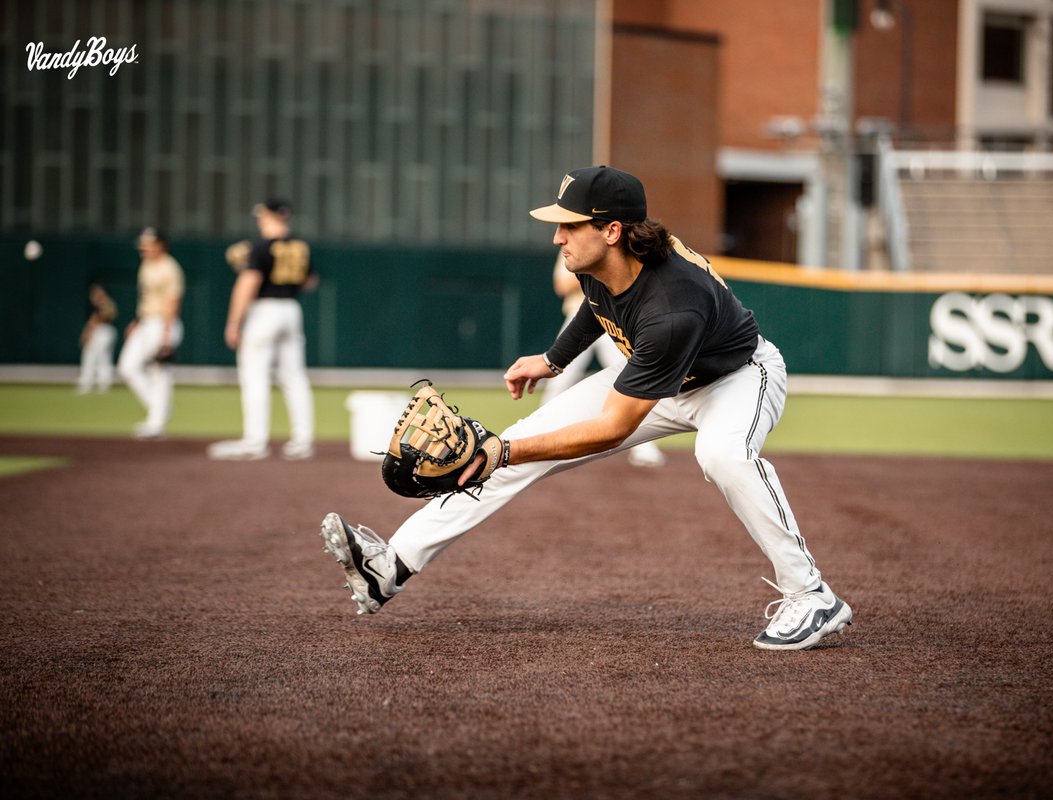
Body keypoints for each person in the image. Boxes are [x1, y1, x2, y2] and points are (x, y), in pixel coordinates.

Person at [319, 166, 852, 651]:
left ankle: (810, 593)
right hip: (656, 372)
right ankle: (388, 566)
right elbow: (598, 305)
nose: (557, 236)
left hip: (735, 378)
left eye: (569, 225)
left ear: (612, 230)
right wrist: (552, 360)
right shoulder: (600, 259)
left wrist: (504, 450)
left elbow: (610, 429)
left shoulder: (673, 306)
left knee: (722, 455)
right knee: (505, 452)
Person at [208, 198, 317, 461]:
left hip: (265, 311)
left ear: (268, 216)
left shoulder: (259, 247)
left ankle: (255, 442)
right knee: (294, 378)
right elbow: (310, 281)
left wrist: (234, 322)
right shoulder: (299, 246)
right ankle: (303, 441)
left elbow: (248, 284)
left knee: (254, 375)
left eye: (261, 216)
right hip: (291, 309)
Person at [540, 250, 666, 468]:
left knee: (631, 377)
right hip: (578, 319)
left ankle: (644, 447)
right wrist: (593, 265)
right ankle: (538, 438)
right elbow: (562, 285)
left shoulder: (616, 244)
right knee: (558, 382)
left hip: (611, 317)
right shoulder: (570, 246)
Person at [117, 228, 184, 439]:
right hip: (146, 322)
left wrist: (166, 336)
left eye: (149, 244)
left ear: (161, 245)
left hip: (163, 324)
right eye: (143, 245)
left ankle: (156, 423)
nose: (144, 248)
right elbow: (146, 298)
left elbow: (173, 302)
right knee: (127, 366)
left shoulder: (169, 268)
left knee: (160, 373)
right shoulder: (146, 265)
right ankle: (160, 408)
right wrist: (137, 321)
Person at [77, 283, 118, 394]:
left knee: (97, 357)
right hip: (102, 332)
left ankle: (98, 384)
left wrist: (88, 332)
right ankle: (93, 384)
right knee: (97, 357)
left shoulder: (106, 303)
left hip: (104, 331)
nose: (94, 296)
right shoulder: (97, 306)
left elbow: (103, 318)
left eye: (96, 292)